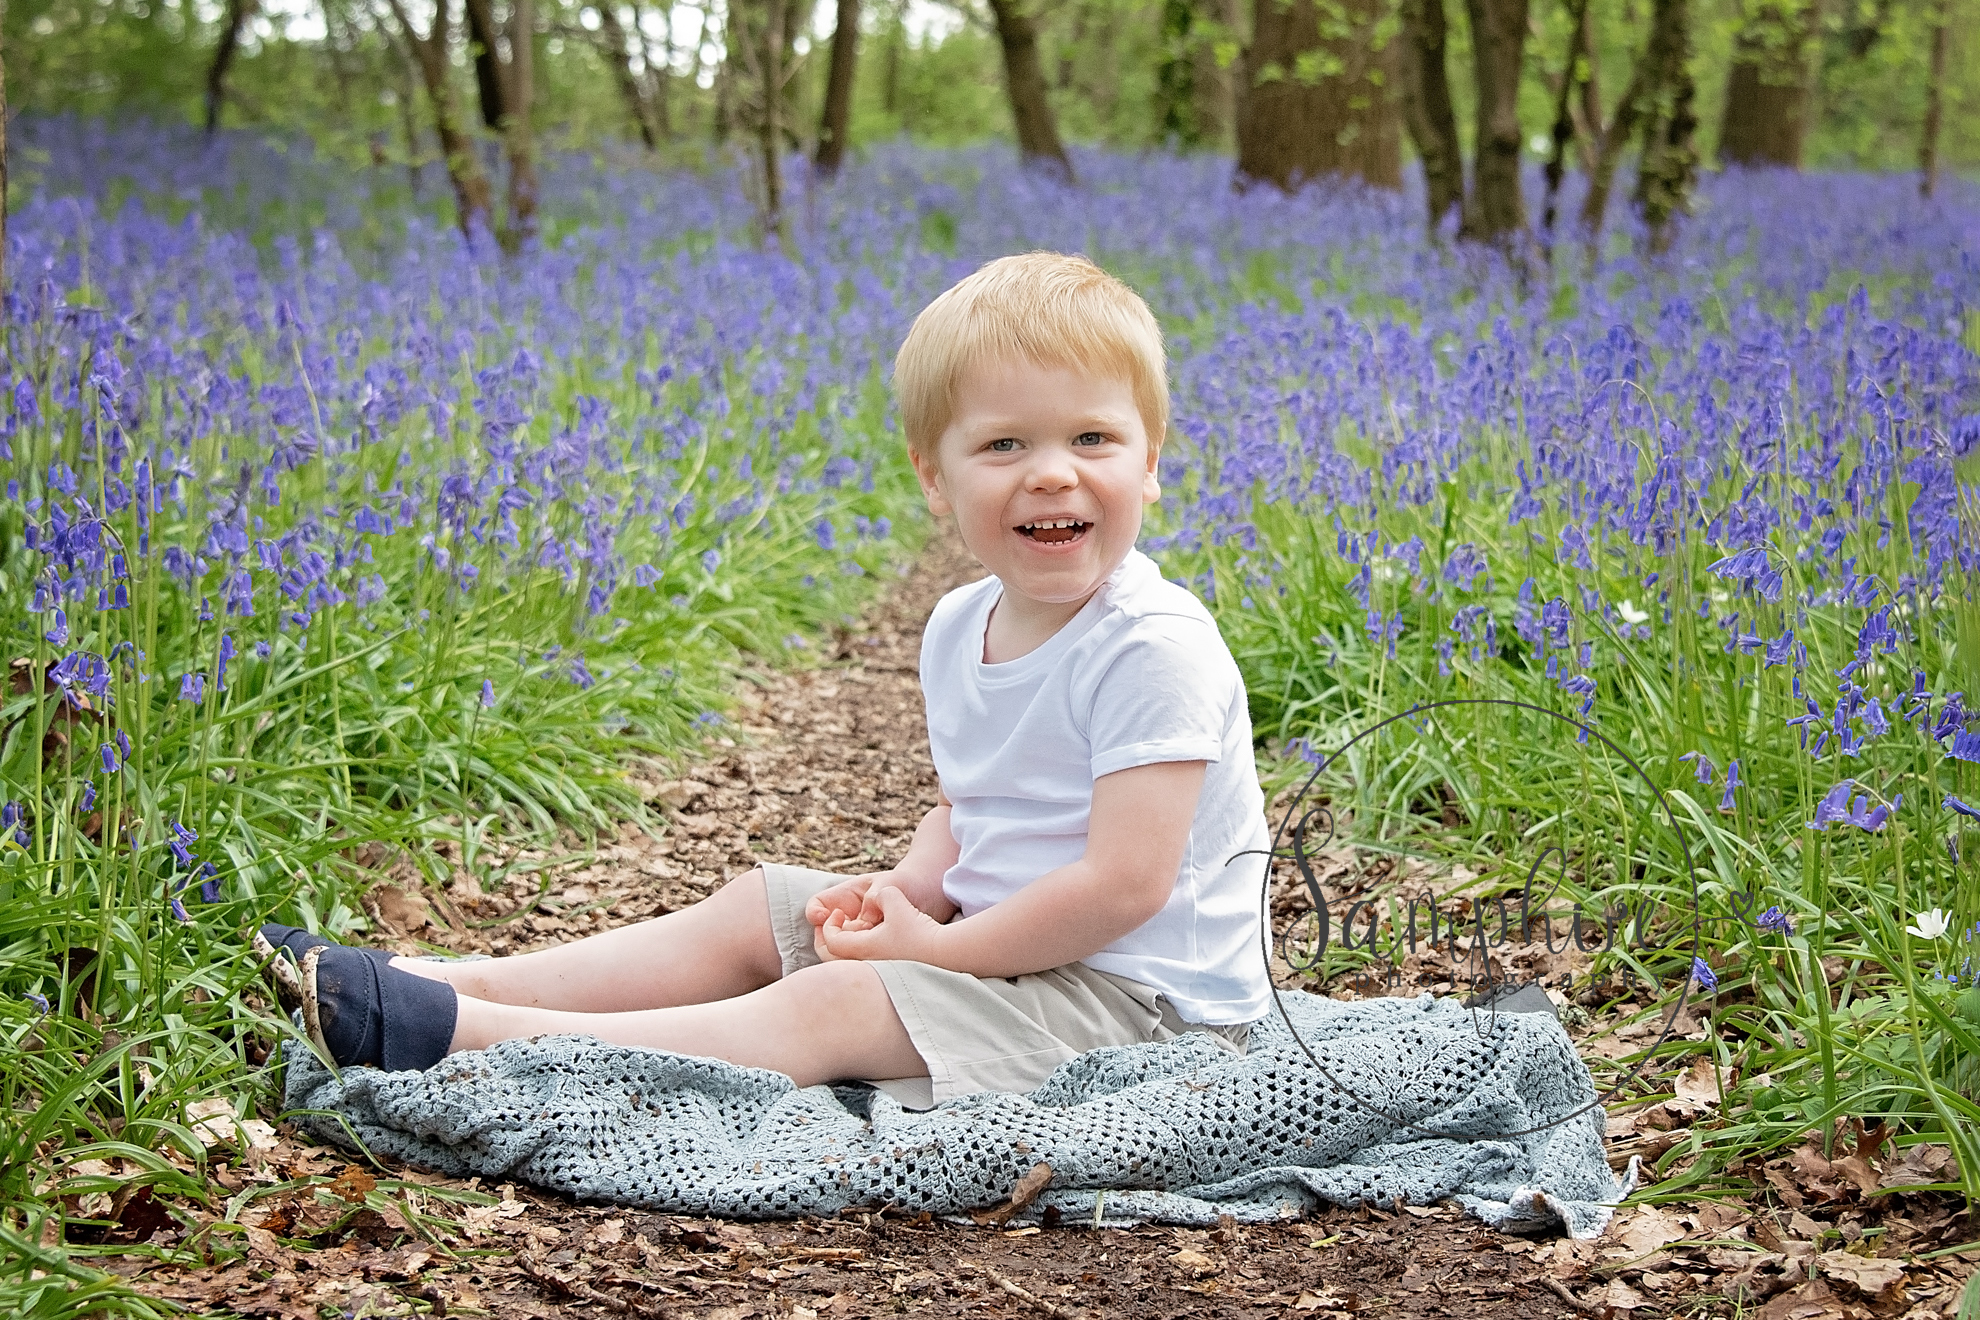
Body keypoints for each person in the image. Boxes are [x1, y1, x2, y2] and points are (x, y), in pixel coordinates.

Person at [257, 251, 1273, 1110]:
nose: (1052, 472)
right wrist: (908, 890)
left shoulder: (1153, 645)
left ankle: (467, 1037)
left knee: (829, 1005)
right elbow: (978, 809)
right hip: (1012, 954)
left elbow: (1125, 886)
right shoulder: (963, 623)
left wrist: (936, 954)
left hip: (1147, 1012)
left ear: (1150, 462)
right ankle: (438, 979)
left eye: (1091, 438)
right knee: (767, 906)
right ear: (936, 478)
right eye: (1005, 444)